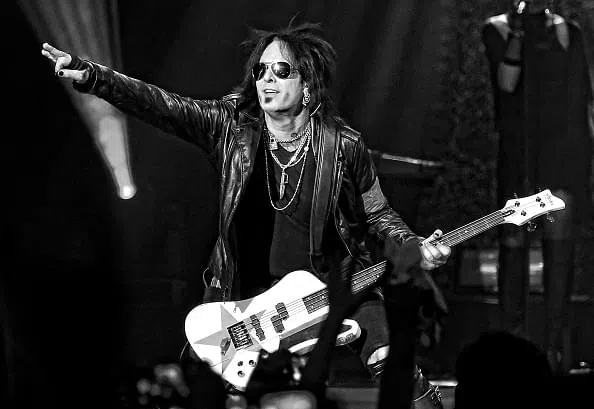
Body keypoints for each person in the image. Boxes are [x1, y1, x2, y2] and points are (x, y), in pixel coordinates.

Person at [42, 20, 451, 393]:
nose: (267, 78)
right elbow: (162, 104)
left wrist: (411, 244)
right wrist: (96, 77)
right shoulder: (230, 126)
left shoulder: (343, 144)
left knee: (395, 365)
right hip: (252, 300)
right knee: (228, 392)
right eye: (260, 70)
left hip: (338, 286)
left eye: (281, 70)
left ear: (308, 84)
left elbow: (377, 212)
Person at [482, 0, 593, 373]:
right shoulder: (497, 29)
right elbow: (506, 83)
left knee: (558, 250)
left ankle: (554, 348)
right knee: (513, 247)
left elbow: (582, 98)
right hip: (519, 153)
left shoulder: (567, 31)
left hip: (561, 155)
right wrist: (518, 32)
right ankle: (511, 346)